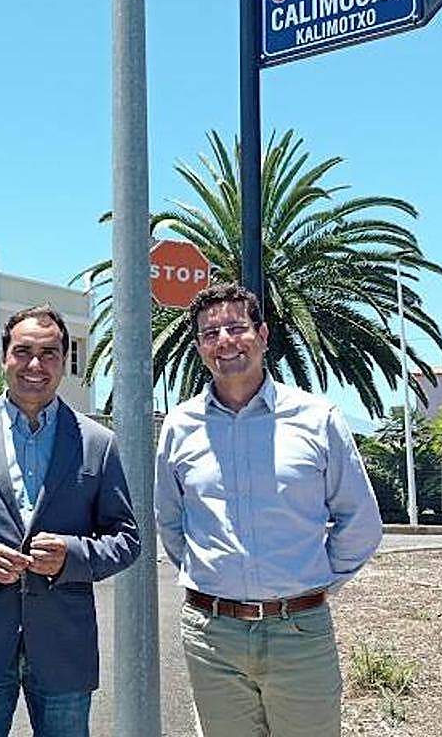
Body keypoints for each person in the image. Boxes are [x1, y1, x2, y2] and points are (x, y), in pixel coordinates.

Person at [154, 283, 383, 737]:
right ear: (200, 349)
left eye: (236, 328)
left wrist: (308, 583)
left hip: (299, 633)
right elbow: (170, 521)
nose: (224, 341)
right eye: (210, 333)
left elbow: (360, 522)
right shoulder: (180, 426)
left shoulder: (317, 418)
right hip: (211, 637)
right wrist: (214, 578)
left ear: (262, 334)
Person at [0, 304, 140, 737]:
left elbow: (126, 539)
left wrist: (71, 555)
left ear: (65, 362)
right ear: (4, 357)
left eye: (50, 353)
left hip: (63, 647)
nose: (35, 365)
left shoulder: (97, 443)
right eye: (23, 351)